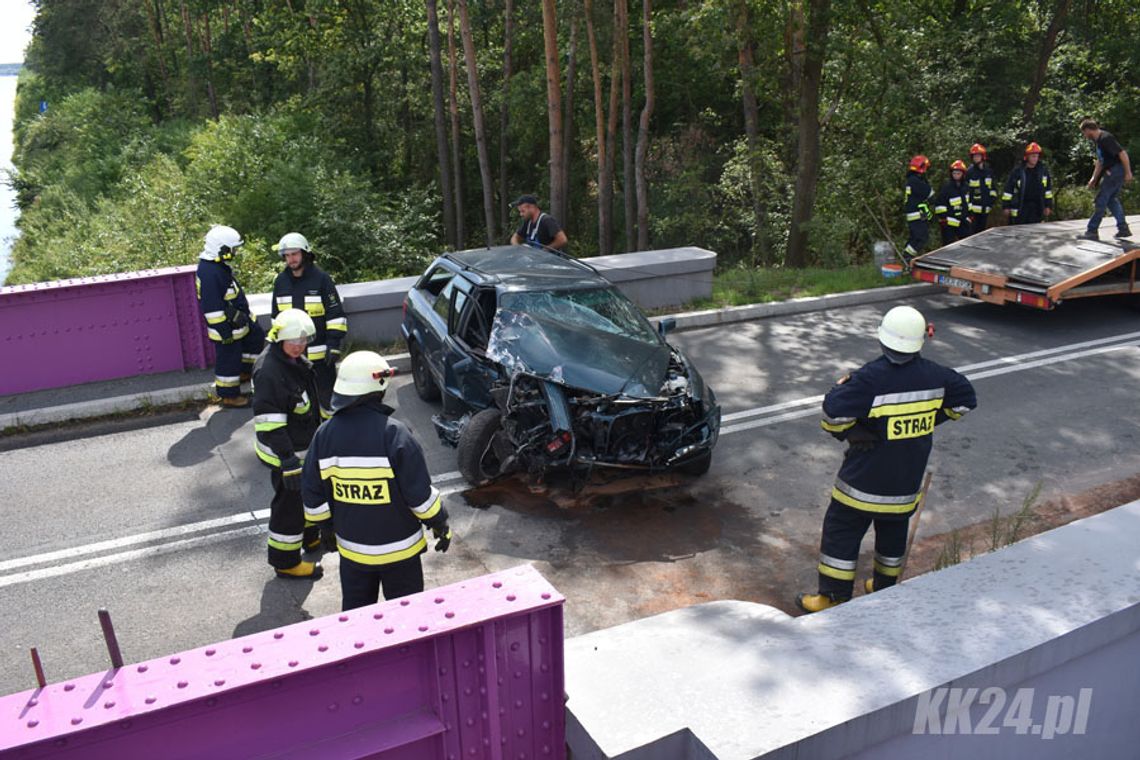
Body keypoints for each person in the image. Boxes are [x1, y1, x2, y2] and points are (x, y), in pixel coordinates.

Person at [797, 305, 977, 613]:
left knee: (841, 534)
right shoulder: (939, 377)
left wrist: (855, 433)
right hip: (904, 484)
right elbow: (965, 402)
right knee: (893, 536)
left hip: (861, 484)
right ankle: (883, 589)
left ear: (883, 340)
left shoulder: (868, 380)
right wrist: (928, 422)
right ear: (920, 341)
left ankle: (832, 596)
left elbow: (832, 415)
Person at [302, 351, 453, 610]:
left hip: (353, 554)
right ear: (378, 387)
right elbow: (420, 497)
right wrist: (439, 522)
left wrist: (325, 528)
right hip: (401, 553)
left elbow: (312, 495)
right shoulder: (395, 434)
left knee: (358, 621)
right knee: (405, 619)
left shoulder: (323, 436)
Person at [252, 309, 325, 580]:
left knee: (306, 496)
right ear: (278, 338)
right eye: (294, 340)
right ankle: (286, 561)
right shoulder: (270, 371)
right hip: (286, 454)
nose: (300, 346)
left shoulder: (290, 361)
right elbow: (271, 425)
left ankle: (309, 536)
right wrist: (289, 462)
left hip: (300, 448)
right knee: (288, 506)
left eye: (304, 340)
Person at [271, 232, 349, 418]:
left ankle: (333, 434)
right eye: (287, 255)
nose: (291, 259)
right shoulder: (280, 282)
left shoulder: (322, 279)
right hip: (292, 357)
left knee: (327, 402)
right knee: (298, 402)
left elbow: (335, 314)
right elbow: (277, 319)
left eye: (295, 254)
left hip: (320, 358)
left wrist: (334, 346)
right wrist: (276, 348)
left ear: (305, 253)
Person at [195, 225, 265, 408]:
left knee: (256, 337)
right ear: (222, 249)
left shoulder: (217, 266)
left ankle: (244, 372)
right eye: (233, 249)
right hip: (226, 329)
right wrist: (224, 331)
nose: (235, 253)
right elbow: (212, 309)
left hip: (238, 323)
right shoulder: (210, 272)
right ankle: (229, 396)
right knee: (228, 359)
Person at [1078, 118, 1133, 241]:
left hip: (1115, 172)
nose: (1085, 136)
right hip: (1112, 172)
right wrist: (1094, 178)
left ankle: (1092, 230)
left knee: (1101, 200)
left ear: (1088, 130)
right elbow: (1100, 162)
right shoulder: (1098, 141)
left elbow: (1122, 153)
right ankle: (1123, 228)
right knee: (1111, 200)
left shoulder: (1105, 138)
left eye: (1084, 133)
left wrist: (1128, 172)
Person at [1002, 142, 1054, 225]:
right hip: (1021, 209)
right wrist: (1006, 206)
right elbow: (1008, 190)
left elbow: (1048, 191)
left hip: (1037, 209)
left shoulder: (1043, 171)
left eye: (1037, 156)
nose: (1035, 159)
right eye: (1033, 156)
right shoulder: (1018, 172)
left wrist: (1048, 206)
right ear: (1027, 157)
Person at [902, 155, 934, 267]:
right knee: (921, 238)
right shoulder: (916, 181)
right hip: (917, 215)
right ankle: (907, 257)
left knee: (914, 238)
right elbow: (930, 194)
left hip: (914, 215)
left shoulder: (911, 180)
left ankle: (906, 259)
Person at [964, 143, 997, 236]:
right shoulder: (969, 172)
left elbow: (993, 188)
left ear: (983, 157)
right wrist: (968, 209)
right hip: (973, 210)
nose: (975, 158)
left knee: (982, 234)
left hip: (985, 209)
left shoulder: (988, 171)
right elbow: (966, 192)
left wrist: (991, 202)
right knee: (972, 234)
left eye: (978, 156)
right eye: (974, 156)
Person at [934, 160, 970, 246]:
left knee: (967, 244)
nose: (956, 175)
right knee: (948, 246)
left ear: (963, 174)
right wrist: (943, 218)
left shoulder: (966, 187)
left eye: (958, 173)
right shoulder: (946, 188)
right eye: (954, 173)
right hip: (949, 223)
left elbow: (969, 202)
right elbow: (939, 205)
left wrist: (970, 215)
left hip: (963, 222)